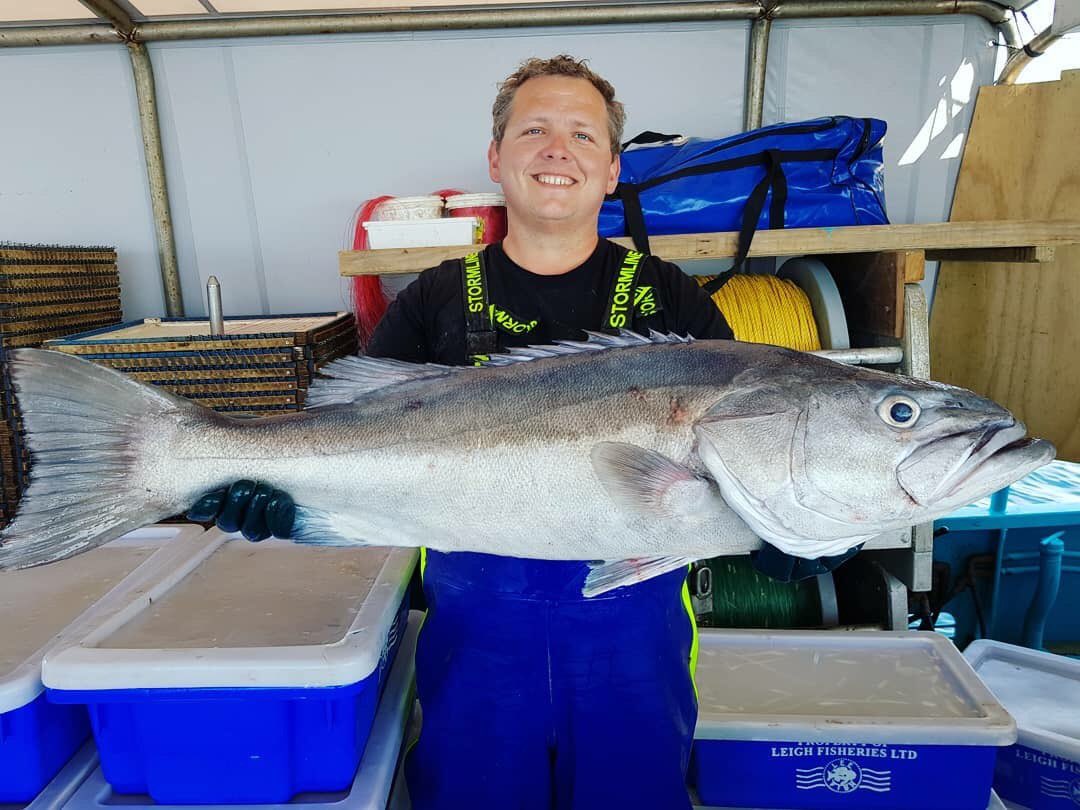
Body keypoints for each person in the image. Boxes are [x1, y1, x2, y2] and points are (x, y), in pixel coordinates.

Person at [190, 54, 855, 808]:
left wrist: (804, 525)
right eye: (533, 129)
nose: (556, 148)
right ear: (496, 159)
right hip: (476, 641)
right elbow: (351, 438)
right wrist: (283, 495)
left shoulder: (670, 300)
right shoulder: (436, 298)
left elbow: (741, 452)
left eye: (582, 134)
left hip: (634, 645)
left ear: (610, 170)